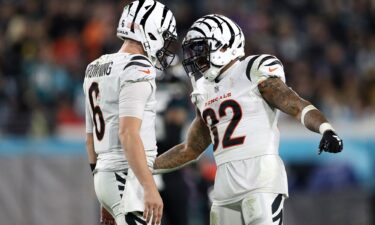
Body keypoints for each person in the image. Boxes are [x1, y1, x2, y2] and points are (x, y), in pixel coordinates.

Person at [154, 14, 343, 225]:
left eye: (200, 50)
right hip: (224, 187)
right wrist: (144, 167)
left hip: (260, 180)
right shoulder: (203, 91)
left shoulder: (252, 70)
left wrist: (325, 128)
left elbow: (295, 105)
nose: (195, 59)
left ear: (225, 47)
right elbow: (190, 148)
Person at [83, 1, 177, 225]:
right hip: (126, 176)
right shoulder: (138, 67)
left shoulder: (95, 66)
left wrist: (103, 189)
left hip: (106, 175)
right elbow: (128, 134)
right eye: (163, 35)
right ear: (151, 30)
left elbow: (90, 139)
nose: (165, 45)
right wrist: (149, 186)